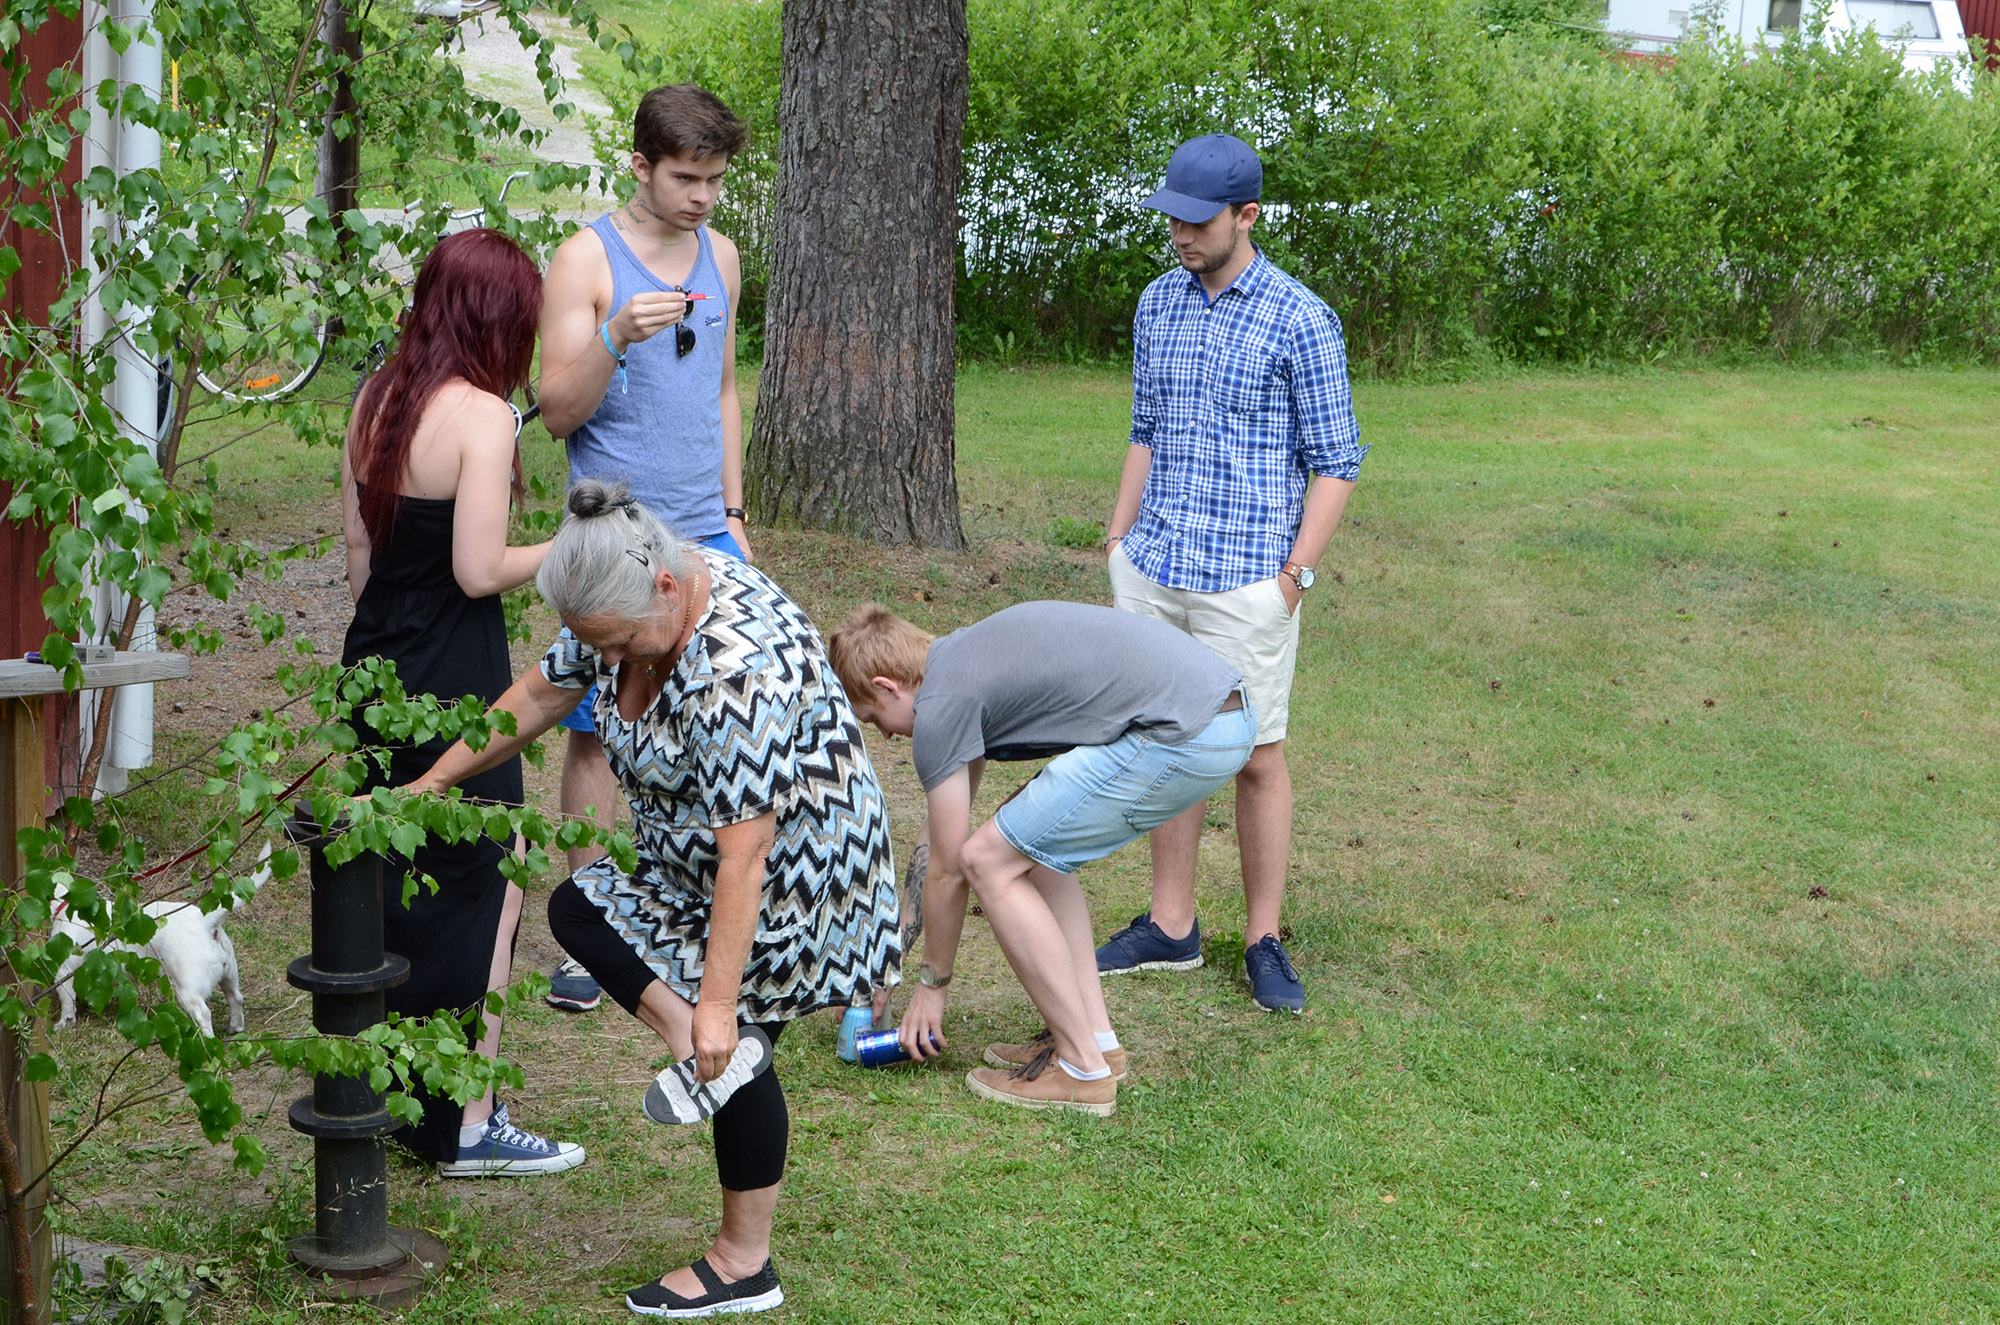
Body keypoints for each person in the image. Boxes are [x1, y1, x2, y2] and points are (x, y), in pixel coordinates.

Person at [404, 481, 900, 1316]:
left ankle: (745, 1263)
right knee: (580, 907)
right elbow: (540, 693)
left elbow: (749, 853)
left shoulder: (737, 664)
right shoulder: (624, 600)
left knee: (737, 1032)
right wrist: (432, 778)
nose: (608, 660)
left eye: (620, 643)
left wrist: (712, 1005)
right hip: (701, 866)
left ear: (667, 589)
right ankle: (700, 1049)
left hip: (801, 877)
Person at [1100, 133, 1369, 1014]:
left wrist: (1294, 576)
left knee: (1255, 757)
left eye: (1196, 219)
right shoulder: (1156, 304)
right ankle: (1171, 925)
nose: (1179, 233)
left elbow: (1337, 460)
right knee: (1168, 743)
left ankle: (1262, 936)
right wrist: (1117, 538)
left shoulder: (1301, 317)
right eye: (1170, 216)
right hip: (1155, 565)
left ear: (1246, 215)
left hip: (1249, 577)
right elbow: (1145, 427)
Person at [339, 228, 583, 1176]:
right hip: (451, 678)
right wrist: (571, 551)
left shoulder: (375, 397)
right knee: (482, 876)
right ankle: (468, 1124)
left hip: (374, 670)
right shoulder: (483, 416)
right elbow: (479, 569)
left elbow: (361, 563)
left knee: (393, 880)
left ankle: (399, 1096)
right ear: (496, 320)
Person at [829, 601, 1254, 1116]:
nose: (886, 735)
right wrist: (886, 964)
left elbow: (949, 870)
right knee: (1033, 848)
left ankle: (1080, 1071)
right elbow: (937, 843)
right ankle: (1096, 1043)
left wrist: (932, 986)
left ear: (886, 686)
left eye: (874, 718)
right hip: (1225, 714)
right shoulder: (961, 663)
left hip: (1186, 733)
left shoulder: (941, 707)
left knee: (989, 860)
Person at [534, 84, 752, 1013]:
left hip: (707, 530)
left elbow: (724, 390)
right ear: (639, 165)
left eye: (713, 180)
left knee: (725, 719)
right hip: (615, 531)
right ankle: (591, 929)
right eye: (684, 178)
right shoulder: (586, 259)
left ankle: (707, 911)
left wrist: (736, 512)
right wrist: (616, 336)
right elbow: (555, 413)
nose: (702, 197)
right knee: (596, 728)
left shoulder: (723, 255)